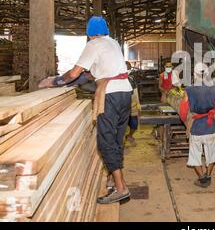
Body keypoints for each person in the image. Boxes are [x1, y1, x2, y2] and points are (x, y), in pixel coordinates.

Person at [39, 16, 132, 204]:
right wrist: (79, 79)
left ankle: (121, 189)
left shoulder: (94, 44)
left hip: (110, 94)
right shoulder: (112, 43)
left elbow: (75, 73)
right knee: (116, 138)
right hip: (126, 92)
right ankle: (117, 181)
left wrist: (55, 81)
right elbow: (93, 73)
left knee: (105, 142)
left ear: (89, 35)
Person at [179, 63, 215, 188]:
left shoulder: (188, 90)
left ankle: (202, 178)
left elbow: (183, 111)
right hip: (210, 127)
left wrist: (187, 123)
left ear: (194, 74)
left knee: (195, 155)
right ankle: (208, 176)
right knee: (211, 154)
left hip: (196, 127)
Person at [125, 61, 141, 147]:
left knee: (134, 123)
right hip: (122, 103)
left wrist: (138, 103)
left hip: (132, 102)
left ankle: (130, 135)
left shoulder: (132, 78)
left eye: (128, 67)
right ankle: (121, 139)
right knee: (122, 123)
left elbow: (135, 91)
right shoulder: (118, 77)